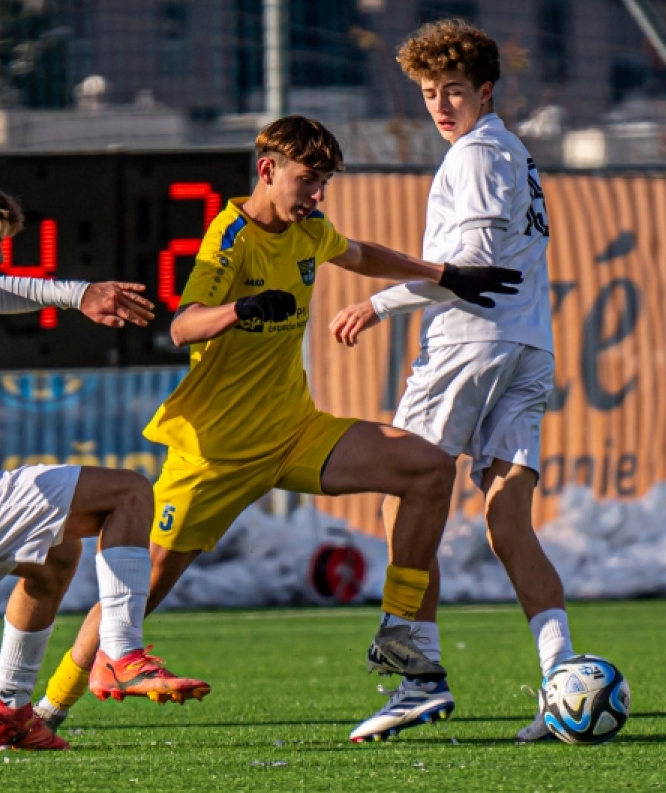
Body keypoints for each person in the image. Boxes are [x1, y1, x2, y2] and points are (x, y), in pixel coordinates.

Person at [32, 113, 523, 732]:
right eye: (309, 181)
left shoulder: (310, 227)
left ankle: (402, 631)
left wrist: (444, 274)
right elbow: (182, 325)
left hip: (295, 433)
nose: (318, 196)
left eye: (325, 184)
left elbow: (360, 253)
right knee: (133, 595)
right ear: (268, 170)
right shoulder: (229, 237)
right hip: (215, 454)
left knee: (426, 469)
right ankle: (46, 709)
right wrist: (238, 309)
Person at [0, 166, 209, 752]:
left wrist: (80, 295)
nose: (0, 258)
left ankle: (8, 708)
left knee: (54, 557)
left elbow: (2, 292)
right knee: (129, 492)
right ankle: (122, 655)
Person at [329, 20, 575, 743]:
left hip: (471, 345)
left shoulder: (471, 156)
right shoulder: (517, 156)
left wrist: (376, 302)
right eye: (431, 93)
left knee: (405, 489)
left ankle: (419, 677)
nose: (442, 106)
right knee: (507, 522)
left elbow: (463, 272)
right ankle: (563, 681)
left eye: (454, 92)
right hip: (531, 349)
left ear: (485, 91)